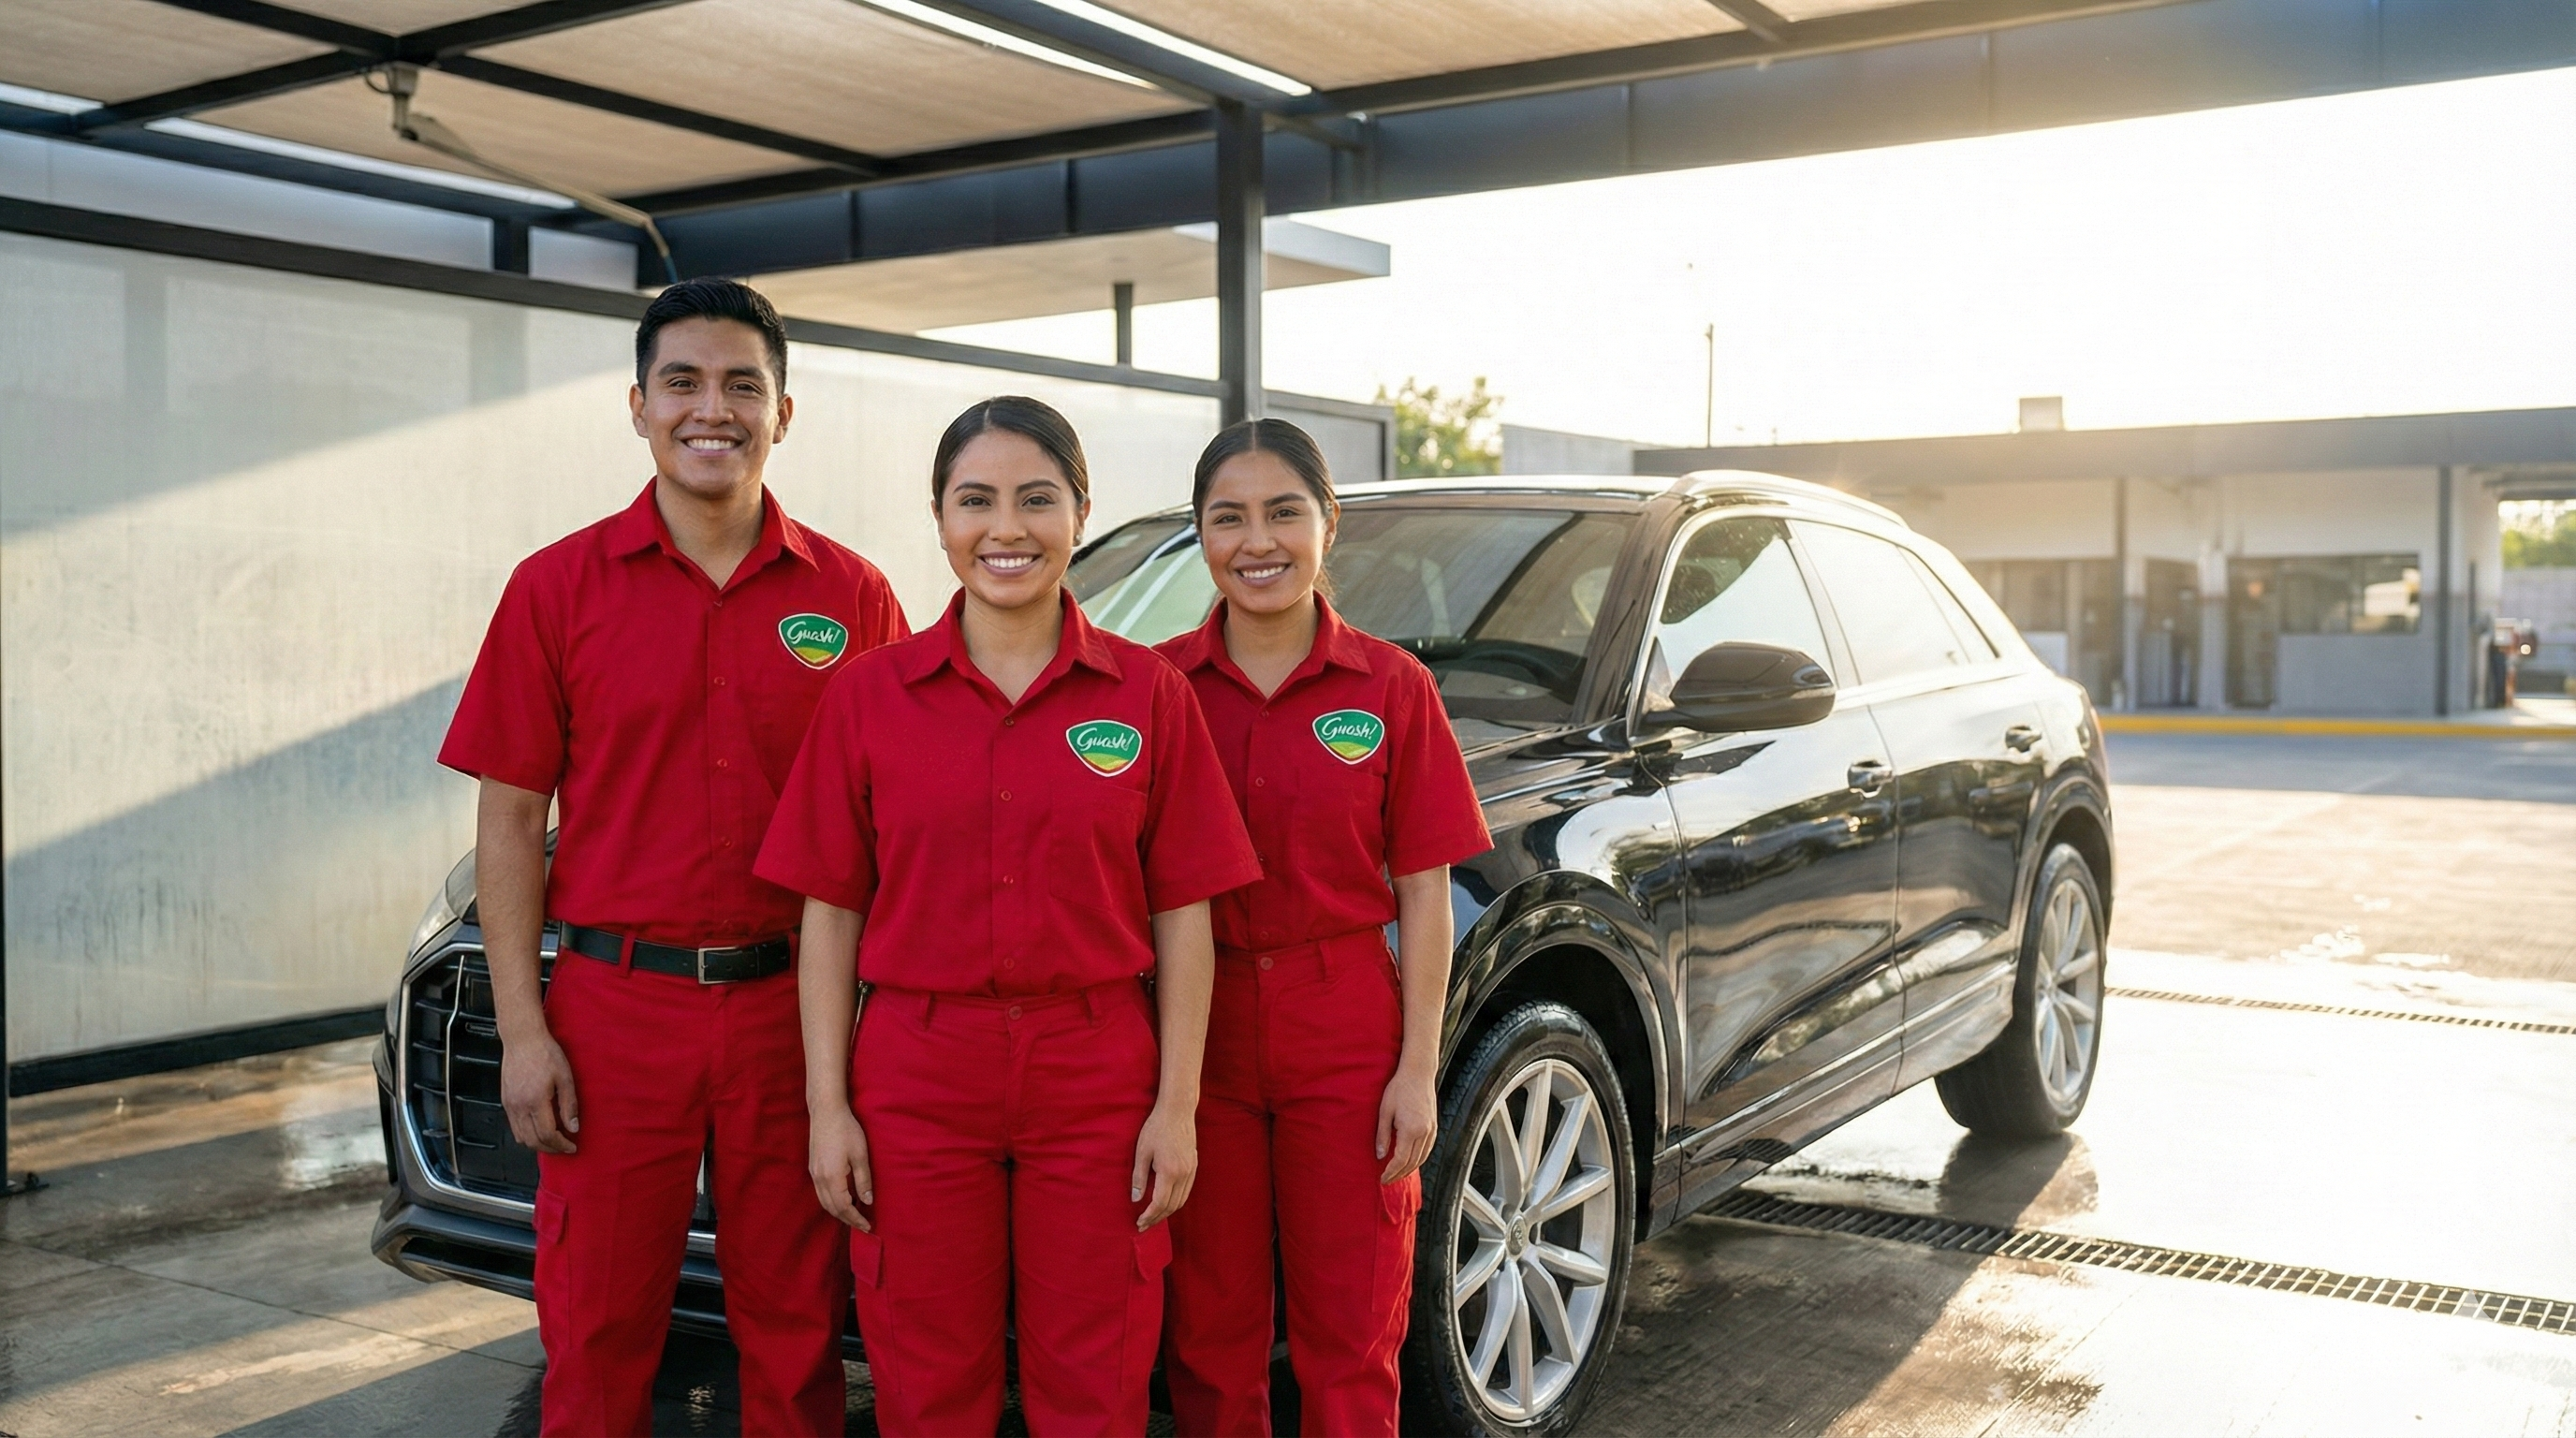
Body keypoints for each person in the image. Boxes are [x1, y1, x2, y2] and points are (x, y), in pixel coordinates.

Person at [437, 278, 908, 1438]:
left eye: (744, 385)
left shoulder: (854, 598)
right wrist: (526, 1029)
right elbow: (507, 822)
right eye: (684, 384)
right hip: (611, 1014)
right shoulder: (555, 589)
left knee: (796, 1336)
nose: (715, 409)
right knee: (595, 1335)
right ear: (638, 406)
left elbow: (902, 822)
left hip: (791, 1019)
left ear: (784, 413)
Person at [756, 396, 1261, 1436]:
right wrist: (827, 1106)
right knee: (926, 1377)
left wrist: (1175, 1106)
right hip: (916, 1072)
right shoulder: (866, 696)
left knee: (1098, 1374)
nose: (1006, 529)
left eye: (1037, 499)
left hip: (1095, 1073)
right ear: (939, 518)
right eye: (974, 500)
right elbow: (829, 917)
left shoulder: (1149, 697)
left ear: (1080, 511)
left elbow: (1184, 916)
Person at [1157, 418, 1491, 1436]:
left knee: (1350, 1336)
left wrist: (1417, 1069)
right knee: (1210, 1337)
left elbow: (1425, 892)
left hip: (1343, 1025)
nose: (1257, 542)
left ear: (1327, 523)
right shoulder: (1154, 689)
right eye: (1228, 518)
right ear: (1201, 536)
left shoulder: (1391, 690)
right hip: (1195, 1030)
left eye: (1283, 513)